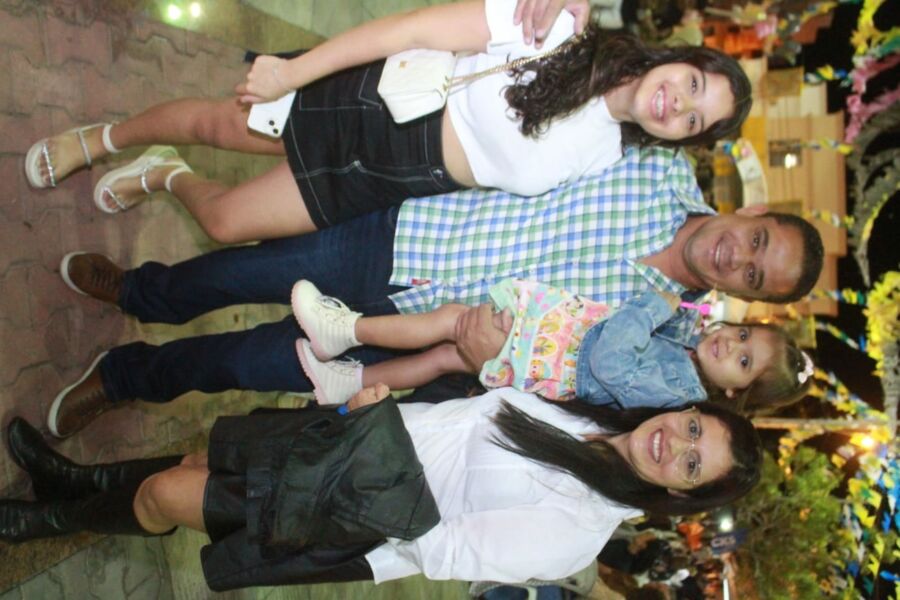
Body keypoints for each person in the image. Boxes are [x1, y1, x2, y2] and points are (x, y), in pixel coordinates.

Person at [47, 146, 824, 438]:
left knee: (252, 364)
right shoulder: (655, 164)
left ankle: (126, 379)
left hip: (420, 327)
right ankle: (141, 294)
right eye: (757, 241)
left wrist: (484, 362)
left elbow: (560, 384)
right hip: (407, 232)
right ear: (754, 213)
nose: (738, 258)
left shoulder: (660, 342)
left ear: (751, 297)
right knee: (238, 272)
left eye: (755, 277)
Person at [25, 0, 750, 244]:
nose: (677, 105)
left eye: (694, 120)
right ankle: (105, 138)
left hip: (394, 179)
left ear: (683, 140)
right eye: (693, 84)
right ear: (679, 57)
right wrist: (295, 73)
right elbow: (408, 29)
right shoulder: (560, 23)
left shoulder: (606, 160)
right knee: (218, 125)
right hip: (371, 101)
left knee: (224, 224)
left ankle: (162, 174)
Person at [0, 386, 762, 590]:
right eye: (695, 427)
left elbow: (441, 553)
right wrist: (366, 412)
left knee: (168, 497)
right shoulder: (588, 412)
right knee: (194, 465)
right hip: (349, 439)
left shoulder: (576, 534)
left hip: (346, 513)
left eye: (693, 464)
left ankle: (50, 520)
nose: (677, 443)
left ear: (682, 497)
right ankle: (75, 479)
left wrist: (374, 439)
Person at [290, 280, 815, 408]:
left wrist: (653, 308)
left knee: (451, 323)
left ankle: (345, 331)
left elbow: (611, 363)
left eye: (743, 360)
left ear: (736, 392)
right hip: (547, 346)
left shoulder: (679, 388)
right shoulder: (686, 360)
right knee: (445, 356)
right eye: (743, 334)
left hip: (548, 354)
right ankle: (347, 381)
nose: (729, 344)